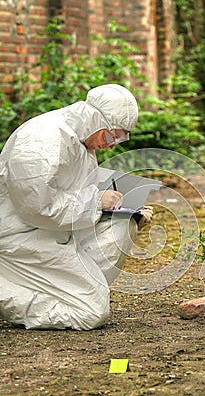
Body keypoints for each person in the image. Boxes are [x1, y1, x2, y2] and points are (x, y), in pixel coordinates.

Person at [0, 84, 153, 330]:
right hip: (21, 240)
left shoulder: (81, 140)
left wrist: (129, 210)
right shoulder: (40, 140)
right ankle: (12, 294)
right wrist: (96, 201)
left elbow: (76, 191)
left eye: (121, 138)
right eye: (112, 136)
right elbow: (37, 208)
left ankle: (66, 291)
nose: (112, 145)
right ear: (95, 119)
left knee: (123, 226)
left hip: (57, 232)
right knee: (91, 313)